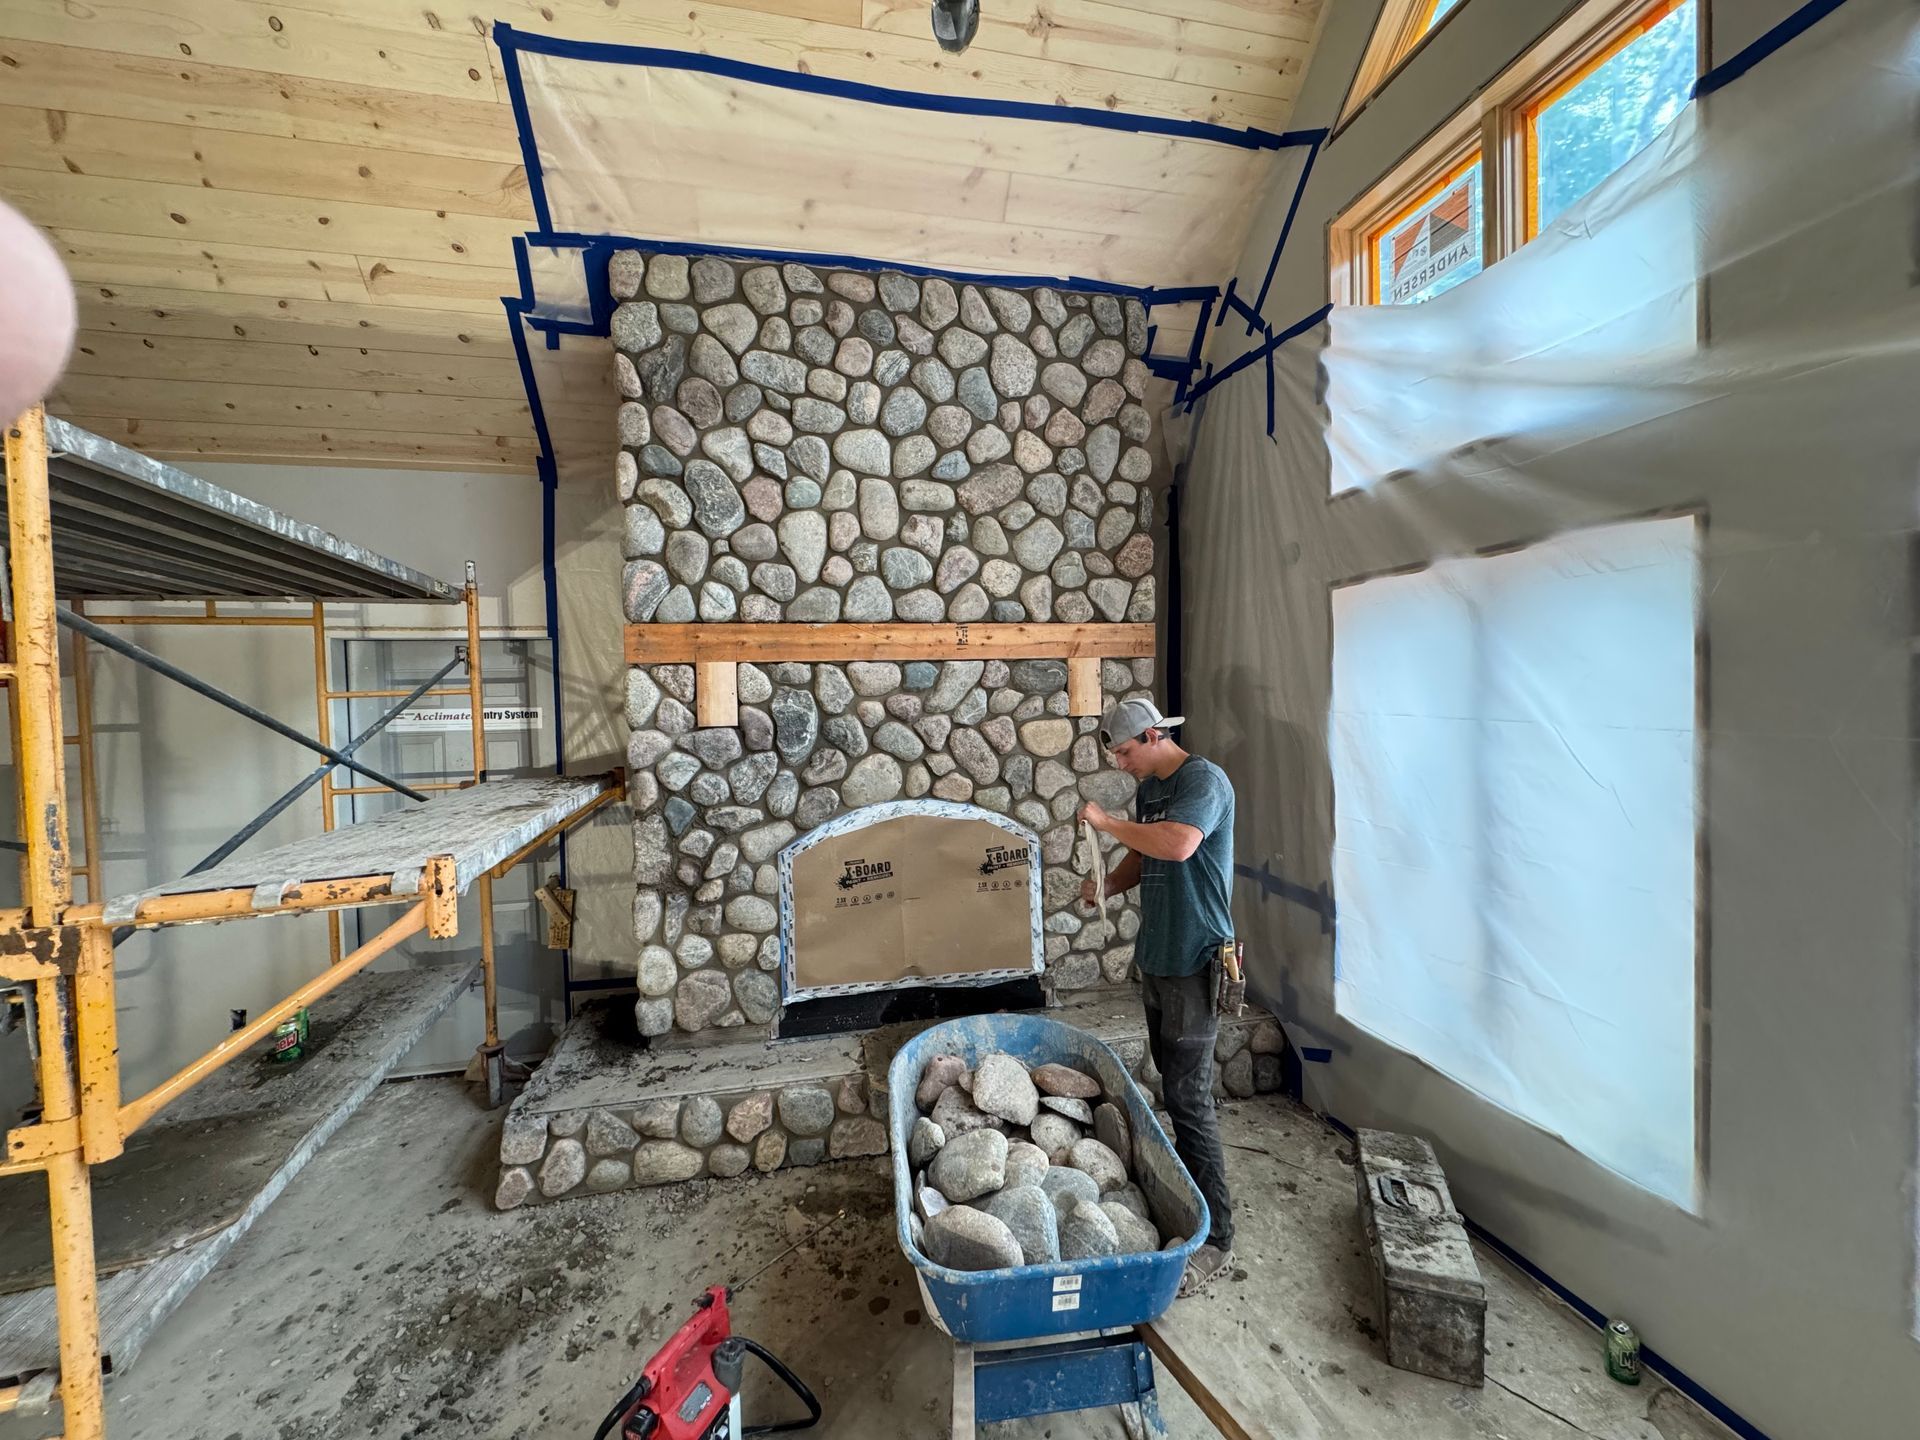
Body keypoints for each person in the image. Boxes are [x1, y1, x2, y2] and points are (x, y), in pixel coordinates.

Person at [1078, 697, 1237, 1296]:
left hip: (1197, 960)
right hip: (1160, 957)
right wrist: (1107, 886)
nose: (1121, 763)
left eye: (1124, 751)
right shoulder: (1149, 792)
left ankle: (1216, 1237)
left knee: (1190, 1097)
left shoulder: (1204, 780)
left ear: (1151, 735)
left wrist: (1105, 822)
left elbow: (1176, 845)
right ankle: (1189, 1197)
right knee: (1174, 1085)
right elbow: (1144, 855)